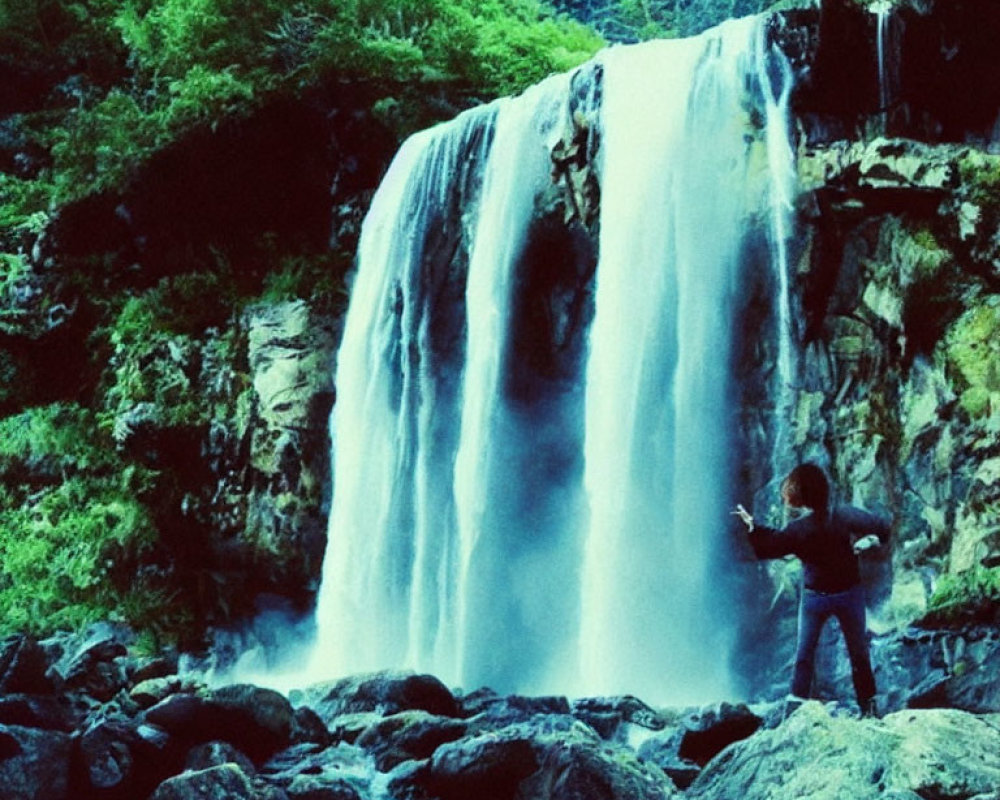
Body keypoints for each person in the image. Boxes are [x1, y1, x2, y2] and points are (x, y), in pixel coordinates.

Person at [734, 463, 890, 717]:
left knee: (805, 655)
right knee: (858, 654)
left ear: (801, 497)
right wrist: (869, 540)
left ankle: (795, 709)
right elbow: (882, 526)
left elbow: (773, 545)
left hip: (816, 599)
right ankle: (869, 708)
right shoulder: (844, 515)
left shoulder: (799, 529)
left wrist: (752, 527)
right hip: (848, 595)